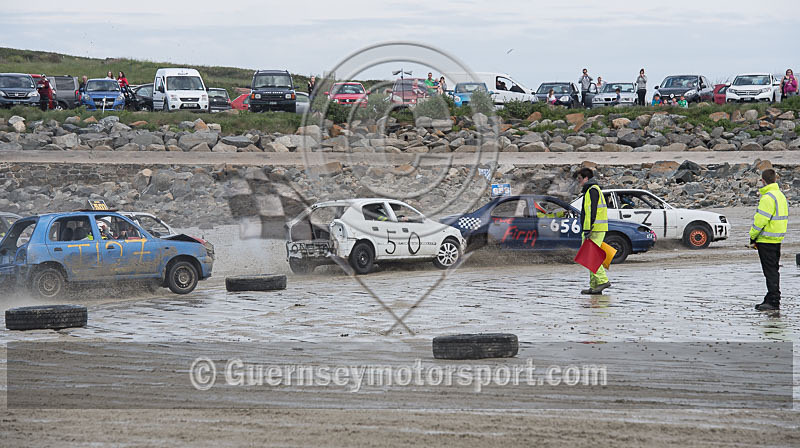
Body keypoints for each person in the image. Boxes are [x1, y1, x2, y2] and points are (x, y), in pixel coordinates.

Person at [749, 169, 788, 311]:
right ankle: (771, 297)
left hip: (766, 239)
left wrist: (752, 236)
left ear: (763, 181)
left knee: (770, 271)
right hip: (777, 239)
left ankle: (773, 300)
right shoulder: (780, 196)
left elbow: (760, 221)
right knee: (773, 270)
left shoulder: (767, 198)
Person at [574, 167, 610, 295]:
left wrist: (588, 229)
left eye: (580, 179)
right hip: (594, 228)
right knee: (589, 257)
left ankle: (602, 281)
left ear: (586, 178)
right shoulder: (590, 190)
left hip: (595, 229)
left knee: (591, 256)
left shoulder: (592, 190)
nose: (579, 182)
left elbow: (591, 212)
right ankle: (594, 286)